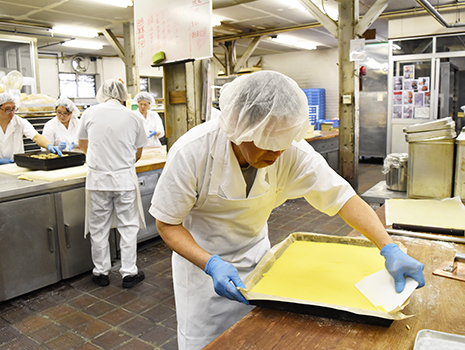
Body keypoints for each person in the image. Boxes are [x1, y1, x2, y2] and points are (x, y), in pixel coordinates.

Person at [149, 71, 425, 350]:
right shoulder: (192, 152)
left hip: (257, 261)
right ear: (239, 129)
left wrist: (388, 247)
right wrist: (211, 263)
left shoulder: (289, 150)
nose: (277, 155)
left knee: (260, 337)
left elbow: (343, 197)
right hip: (204, 272)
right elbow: (167, 224)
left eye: (283, 144)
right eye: (269, 144)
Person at [78, 79, 147, 288]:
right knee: (128, 226)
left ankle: (101, 272)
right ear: (123, 94)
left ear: (102, 93)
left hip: (97, 180)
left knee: (98, 227)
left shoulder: (90, 113)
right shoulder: (133, 116)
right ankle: (129, 272)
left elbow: (82, 144)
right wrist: (121, 164)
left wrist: (99, 160)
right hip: (124, 180)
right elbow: (139, 151)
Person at [0, 92, 62, 164]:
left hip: (15, 164)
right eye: (7, 109)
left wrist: (48, 146)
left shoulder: (19, 122)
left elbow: (36, 136)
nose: (12, 112)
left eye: (13, 108)